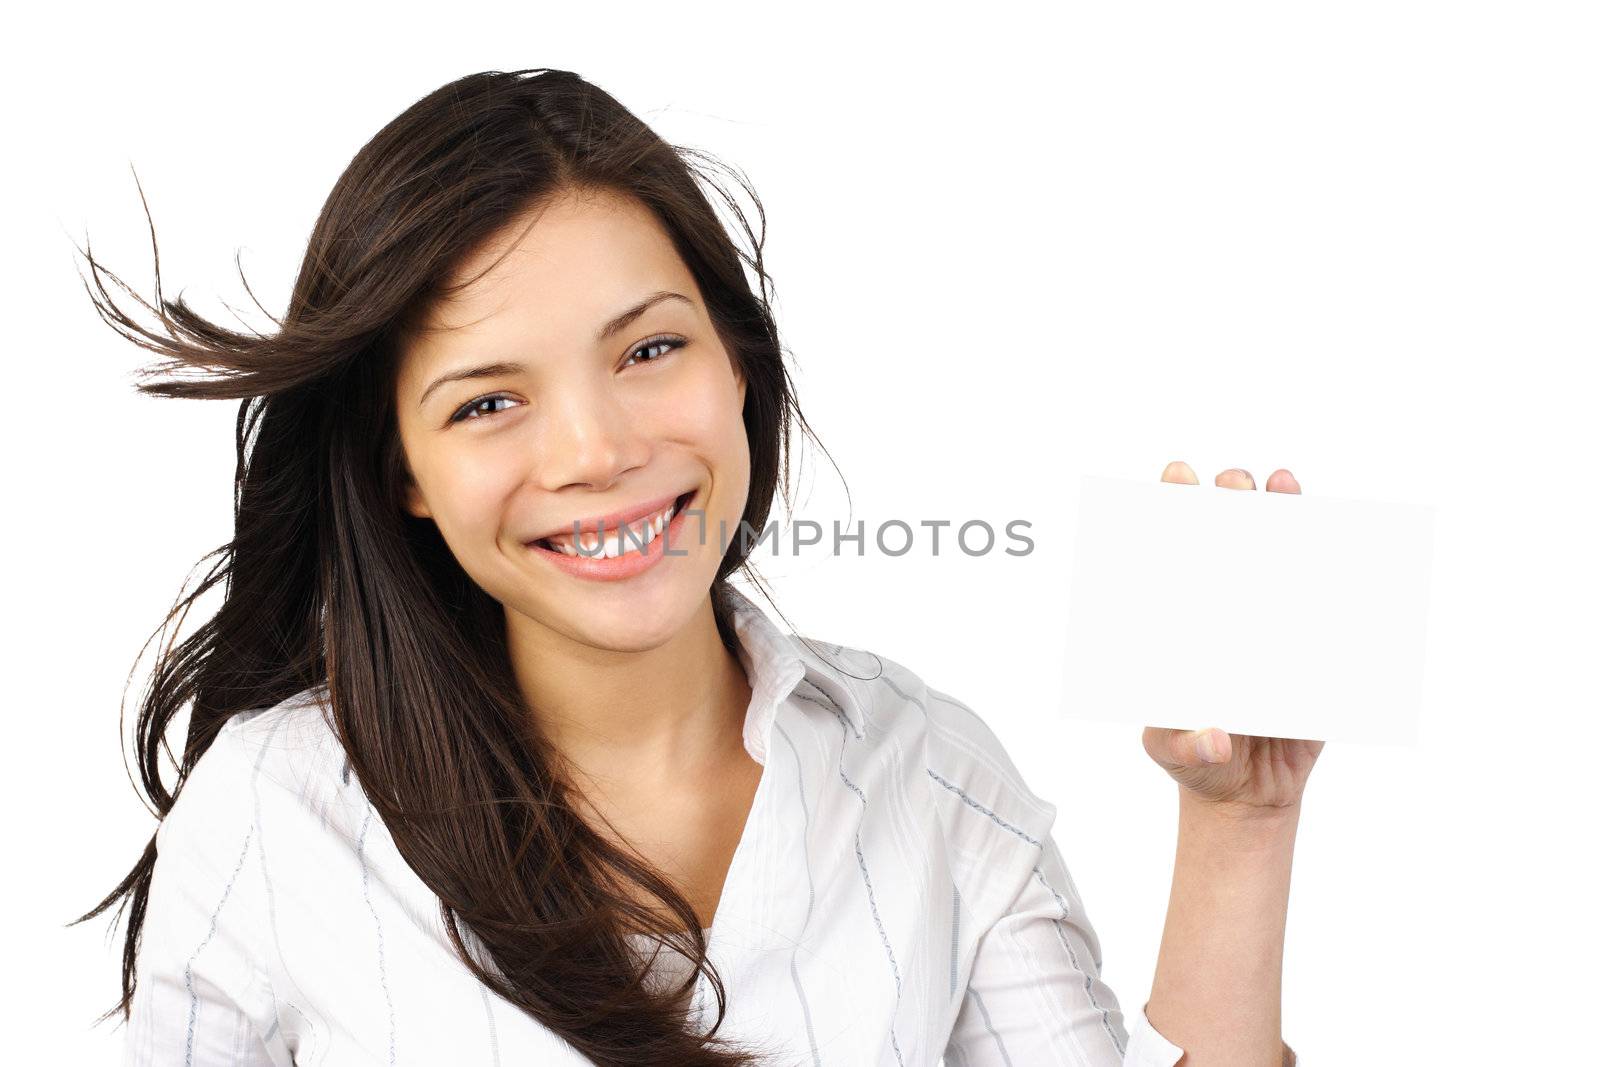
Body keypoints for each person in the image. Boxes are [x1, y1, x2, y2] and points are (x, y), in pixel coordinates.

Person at [71, 68, 1315, 1066]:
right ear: (404, 472)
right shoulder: (276, 808)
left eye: (649, 348)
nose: (597, 449)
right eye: (488, 401)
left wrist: (1238, 823)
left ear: (737, 367)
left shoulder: (928, 774)